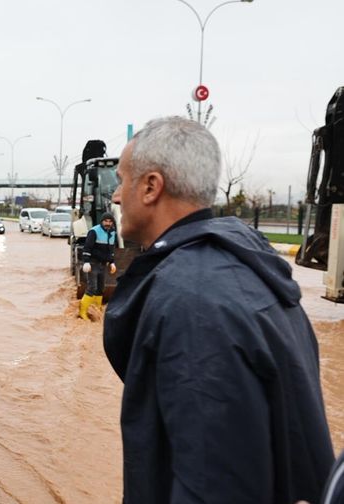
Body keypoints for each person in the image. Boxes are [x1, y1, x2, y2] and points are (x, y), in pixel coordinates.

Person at [105, 116, 334, 503]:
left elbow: (213, 486)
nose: (115, 196)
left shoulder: (194, 303)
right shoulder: (243, 267)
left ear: (150, 187)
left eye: (121, 180)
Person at [78, 212, 116, 320]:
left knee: (100, 288)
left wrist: (112, 261)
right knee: (92, 288)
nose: (108, 223)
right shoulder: (94, 231)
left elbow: (111, 249)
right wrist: (86, 261)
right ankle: (82, 312)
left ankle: (97, 309)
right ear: (102, 221)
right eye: (106, 221)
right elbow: (87, 248)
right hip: (93, 264)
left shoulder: (113, 233)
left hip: (103, 265)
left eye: (110, 221)